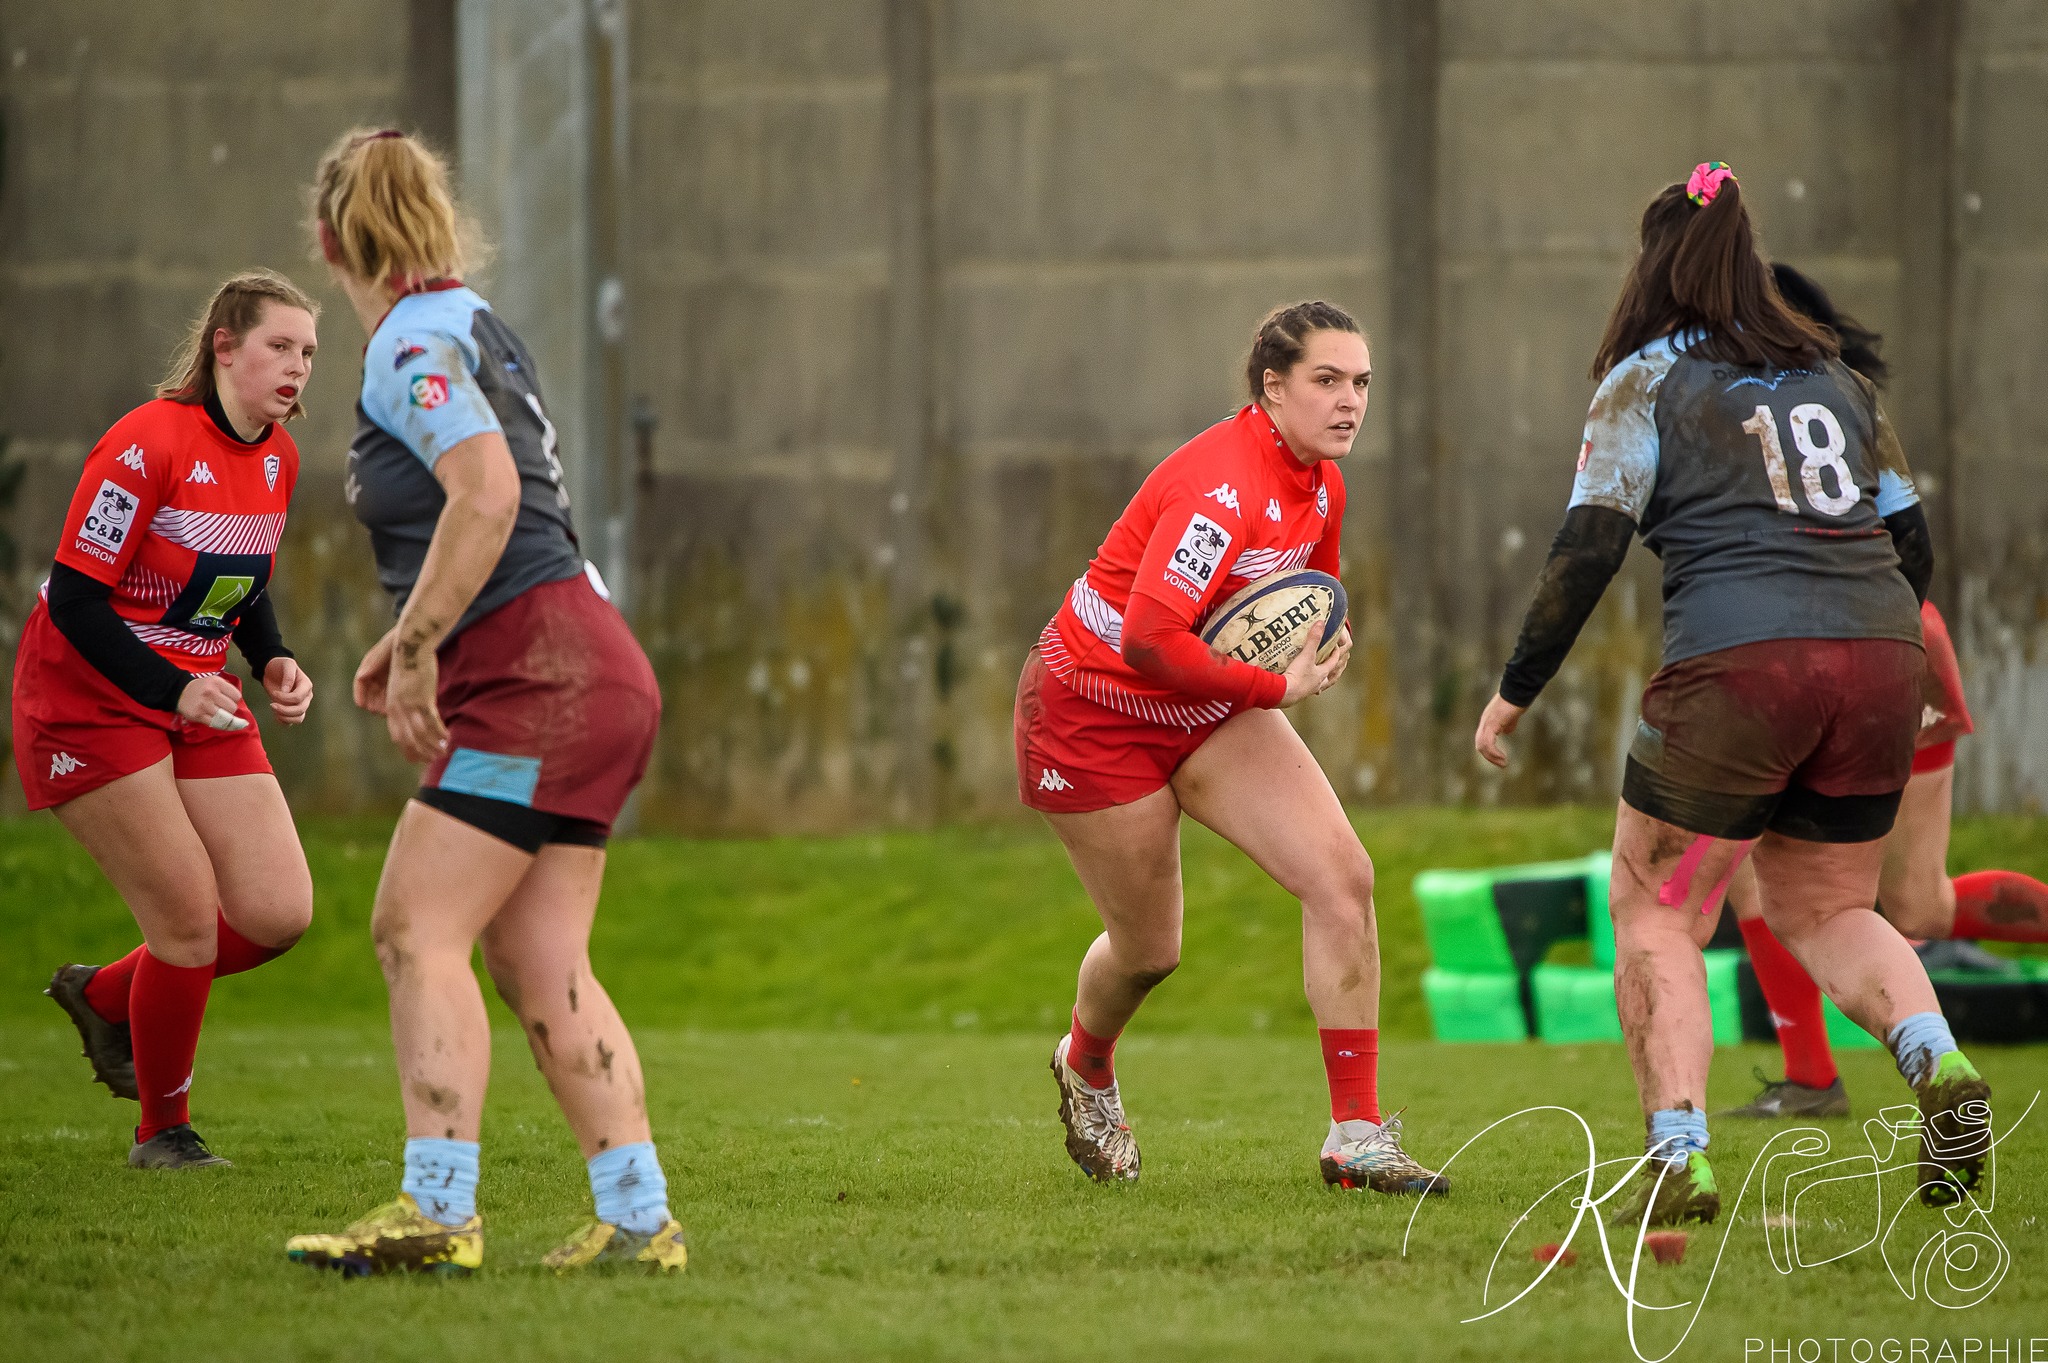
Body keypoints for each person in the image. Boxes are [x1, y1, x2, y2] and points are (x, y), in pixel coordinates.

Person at [1473, 163, 1991, 1226]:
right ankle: (1938, 1066)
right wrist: (1874, 645)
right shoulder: (1837, 378)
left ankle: (1677, 1155)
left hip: (1738, 662)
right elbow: (1911, 542)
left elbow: (1586, 549)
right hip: (1880, 654)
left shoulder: (1642, 378)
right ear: (1749, 266)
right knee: (1830, 906)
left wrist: (1514, 690)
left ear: (1651, 267)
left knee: (1656, 908)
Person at [283, 128, 679, 1277]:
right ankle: (638, 1217)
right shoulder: (468, 323)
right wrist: (407, 636)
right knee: (539, 953)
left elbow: (489, 495)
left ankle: (437, 1209)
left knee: (416, 925)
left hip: (539, 690)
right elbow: (505, 517)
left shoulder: (406, 340)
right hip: (588, 671)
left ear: (327, 238)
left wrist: (420, 656)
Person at [1021, 299, 1448, 1196]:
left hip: (1203, 702)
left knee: (1343, 876)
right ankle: (1085, 1063)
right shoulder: (1219, 489)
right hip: (1095, 710)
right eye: (1326, 381)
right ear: (1272, 387)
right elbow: (1147, 637)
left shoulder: (1324, 481)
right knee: (1149, 951)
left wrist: (1319, 639)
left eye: (1361, 382)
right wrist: (1270, 686)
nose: (1349, 402)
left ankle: (1356, 1135)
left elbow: (1309, 588)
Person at [1684, 266, 2048, 1121]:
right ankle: (1812, 1077)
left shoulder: (1772, 415)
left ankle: (1813, 1080)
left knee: (1843, 893)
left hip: (1847, 653)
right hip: (1890, 644)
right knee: (1886, 898)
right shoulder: (1838, 405)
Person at [24, 270, 320, 1169]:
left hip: (192, 689)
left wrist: (270, 656)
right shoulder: (144, 442)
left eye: (309, 353)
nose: (297, 367)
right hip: (91, 699)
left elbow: (244, 578)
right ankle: (163, 1132)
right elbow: (76, 599)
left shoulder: (278, 455)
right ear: (223, 346)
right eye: (280, 346)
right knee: (188, 918)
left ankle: (110, 995)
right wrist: (169, 690)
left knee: (277, 911)